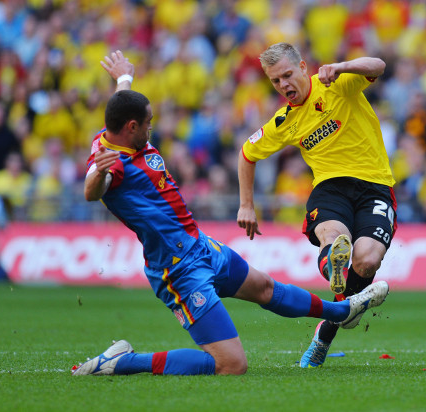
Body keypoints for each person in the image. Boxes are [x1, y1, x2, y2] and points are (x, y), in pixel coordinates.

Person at [72, 50, 389, 377]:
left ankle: (341, 310)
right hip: (178, 269)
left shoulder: (117, 132)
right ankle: (122, 362)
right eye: (148, 123)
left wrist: (123, 78)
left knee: (265, 288)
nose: (152, 128)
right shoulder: (113, 164)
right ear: (131, 127)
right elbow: (91, 191)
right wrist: (98, 174)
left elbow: (120, 105)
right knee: (231, 365)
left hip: (200, 246)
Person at [236, 42, 397, 368]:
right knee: (334, 237)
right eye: (275, 81)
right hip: (330, 188)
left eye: (287, 75)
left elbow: (378, 64)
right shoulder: (285, 120)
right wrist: (246, 205)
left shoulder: (338, 83)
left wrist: (343, 66)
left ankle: (327, 329)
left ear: (303, 67)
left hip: (375, 187)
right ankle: (332, 264)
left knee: (367, 261)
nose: (283, 86)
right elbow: (246, 154)